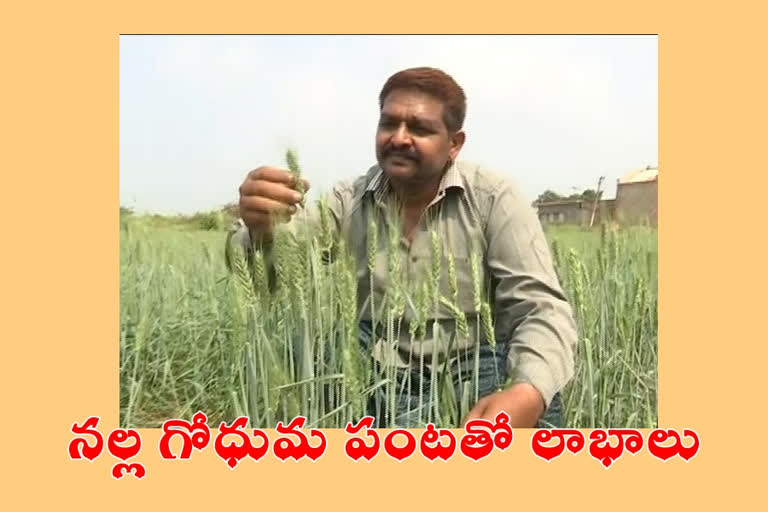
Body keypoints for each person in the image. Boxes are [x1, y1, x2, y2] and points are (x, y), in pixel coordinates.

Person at [232, 67, 577, 428]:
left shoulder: (494, 196)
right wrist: (259, 232)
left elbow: (542, 308)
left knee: (536, 392)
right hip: (376, 366)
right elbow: (277, 270)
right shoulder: (346, 200)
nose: (399, 138)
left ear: (454, 144)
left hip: (477, 363)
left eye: (420, 128)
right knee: (302, 344)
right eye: (388, 124)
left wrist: (527, 393)